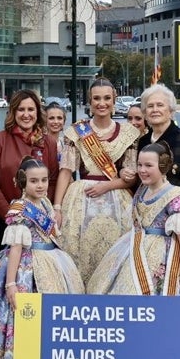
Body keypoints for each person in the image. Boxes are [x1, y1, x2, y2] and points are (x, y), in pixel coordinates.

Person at [88, 143, 180, 359]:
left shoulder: (176, 194)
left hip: (168, 260)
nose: (143, 171)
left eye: (149, 166)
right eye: (140, 165)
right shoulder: (142, 190)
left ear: (163, 166)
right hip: (133, 253)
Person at [0, 158, 84, 359]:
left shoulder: (45, 203)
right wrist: (11, 283)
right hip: (25, 270)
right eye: (34, 181)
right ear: (23, 182)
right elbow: (15, 248)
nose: (40, 185)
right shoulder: (19, 209)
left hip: (51, 263)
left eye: (44, 180)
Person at [53, 79, 140, 281]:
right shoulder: (76, 131)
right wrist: (57, 208)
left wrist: (107, 186)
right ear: (90, 102)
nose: (102, 103)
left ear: (114, 100)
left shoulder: (129, 133)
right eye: (97, 98)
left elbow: (131, 177)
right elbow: (66, 172)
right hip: (80, 199)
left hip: (117, 198)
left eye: (107, 98)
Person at [0, 90, 60, 256]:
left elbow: (52, 181)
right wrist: (11, 214)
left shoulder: (49, 143)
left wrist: (42, 212)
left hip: (38, 222)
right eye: (20, 109)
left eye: (30, 109)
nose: (26, 115)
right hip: (2, 219)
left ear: (38, 112)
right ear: (13, 112)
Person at [133, 84, 180, 241]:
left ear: (171, 111)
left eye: (160, 105)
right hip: (147, 227)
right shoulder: (143, 143)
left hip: (179, 227)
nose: (155, 110)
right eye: (150, 106)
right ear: (145, 113)